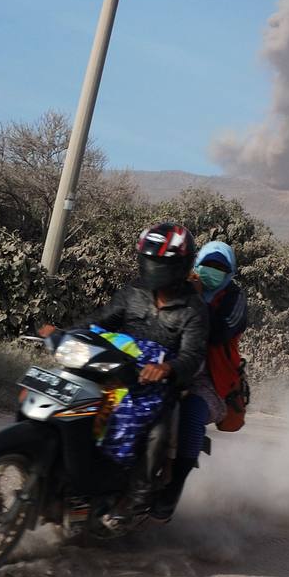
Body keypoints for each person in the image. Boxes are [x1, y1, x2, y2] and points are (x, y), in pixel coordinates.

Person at [39, 221, 209, 524]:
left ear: (181, 265)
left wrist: (167, 368)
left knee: (158, 433)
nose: (154, 268)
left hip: (159, 385)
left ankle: (136, 498)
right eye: (149, 260)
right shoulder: (133, 292)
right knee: (74, 403)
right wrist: (67, 334)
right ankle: (67, 472)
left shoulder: (194, 309)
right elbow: (100, 321)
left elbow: (193, 356)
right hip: (118, 368)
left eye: (161, 263)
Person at [149, 240, 248, 522]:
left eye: (220, 268)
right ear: (196, 262)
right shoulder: (180, 282)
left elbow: (219, 332)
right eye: (208, 264)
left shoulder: (234, 299)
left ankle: (173, 490)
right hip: (162, 361)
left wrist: (195, 301)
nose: (212, 271)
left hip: (209, 379)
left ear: (230, 272)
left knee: (191, 414)